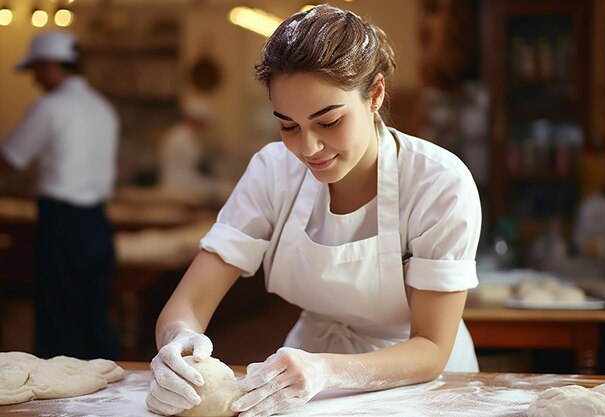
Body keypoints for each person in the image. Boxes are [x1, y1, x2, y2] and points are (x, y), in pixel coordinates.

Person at [146, 4, 481, 417]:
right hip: (303, 382)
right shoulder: (273, 171)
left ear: (375, 94)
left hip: (419, 388)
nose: (308, 148)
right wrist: (178, 342)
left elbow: (431, 347)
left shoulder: (438, 183)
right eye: (288, 126)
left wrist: (325, 369)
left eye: (329, 122)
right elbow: (188, 305)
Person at [0, 30, 120, 360]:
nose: (35, 79)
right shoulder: (102, 107)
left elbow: (10, 159)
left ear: (51, 64)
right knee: (93, 316)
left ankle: (57, 405)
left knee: (58, 318)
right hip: (98, 221)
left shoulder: (50, 107)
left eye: (36, 69)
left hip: (62, 222)